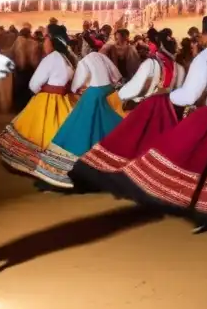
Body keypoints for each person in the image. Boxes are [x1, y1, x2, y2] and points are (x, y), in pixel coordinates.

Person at [102, 15, 207, 235]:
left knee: (200, 162)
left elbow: (190, 94)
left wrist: (169, 98)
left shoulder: (205, 57)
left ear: (205, 34)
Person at [70, 28, 185, 191]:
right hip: (167, 107)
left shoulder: (152, 63)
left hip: (148, 105)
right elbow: (178, 88)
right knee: (162, 142)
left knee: (130, 141)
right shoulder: (177, 66)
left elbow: (135, 86)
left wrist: (122, 96)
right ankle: (158, 176)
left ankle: (132, 176)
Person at [38, 34, 125, 189]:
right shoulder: (103, 57)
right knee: (106, 126)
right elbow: (117, 76)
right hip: (109, 92)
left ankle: (78, 163)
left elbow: (76, 84)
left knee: (81, 128)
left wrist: (77, 89)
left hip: (94, 95)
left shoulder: (84, 61)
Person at [0, 24, 76, 182]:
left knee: (39, 131)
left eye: (45, 37)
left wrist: (41, 92)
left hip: (47, 99)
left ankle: (38, 164)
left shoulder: (51, 58)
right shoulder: (68, 58)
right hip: (65, 100)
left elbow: (34, 84)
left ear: (52, 40)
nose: (43, 41)